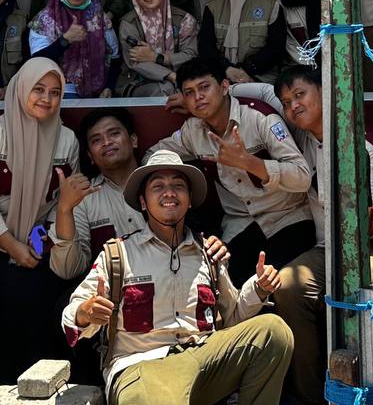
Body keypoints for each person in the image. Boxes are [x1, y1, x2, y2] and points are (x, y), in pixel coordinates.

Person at [61, 150, 293, 405]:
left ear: (189, 200)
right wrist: (86, 312)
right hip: (142, 366)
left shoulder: (208, 253)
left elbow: (233, 316)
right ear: (142, 202)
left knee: (274, 332)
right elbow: (73, 315)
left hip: (205, 359)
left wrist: (259, 287)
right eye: (158, 186)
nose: (169, 192)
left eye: (178, 186)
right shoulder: (118, 254)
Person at [0, 58, 80, 392]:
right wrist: (12, 246)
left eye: (55, 92)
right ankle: (0, 385)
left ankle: (48, 385)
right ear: (21, 89)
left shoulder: (66, 139)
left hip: (37, 237)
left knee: (50, 291)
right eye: (38, 89)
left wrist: (37, 246)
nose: (46, 98)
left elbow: (60, 202)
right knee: (11, 290)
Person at [271, 66, 373, 405]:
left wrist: (370, 219)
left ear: (326, 91)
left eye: (300, 95)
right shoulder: (298, 142)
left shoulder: (362, 139)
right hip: (324, 249)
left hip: (368, 248)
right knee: (288, 285)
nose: (293, 107)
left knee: (370, 283)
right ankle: (311, 396)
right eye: (287, 103)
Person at [152, 59, 314, 285]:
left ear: (225, 87)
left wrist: (250, 162)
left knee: (274, 285)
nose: (198, 97)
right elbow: (153, 154)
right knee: (215, 281)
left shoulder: (260, 119)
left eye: (204, 87)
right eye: (189, 92)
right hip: (241, 224)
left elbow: (302, 177)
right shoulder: (192, 131)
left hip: (286, 218)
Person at [49, 108, 147, 281]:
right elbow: (67, 270)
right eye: (96, 140)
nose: (106, 142)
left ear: (133, 140)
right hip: (108, 294)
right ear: (90, 156)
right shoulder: (82, 199)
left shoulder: (160, 184)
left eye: (114, 133)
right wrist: (64, 210)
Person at [29, 0, 120, 98]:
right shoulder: (46, 19)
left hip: (99, 91)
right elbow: (36, 61)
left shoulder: (100, 18)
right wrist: (65, 40)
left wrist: (109, 87)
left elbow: (115, 57)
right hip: (58, 91)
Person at [199, 0, 287, 84]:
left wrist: (246, 70)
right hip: (222, 77)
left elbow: (276, 47)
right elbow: (206, 47)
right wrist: (227, 69)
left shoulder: (270, 2)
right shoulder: (212, 5)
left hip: (261, 78)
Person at [117, 0, 199, 96]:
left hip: (183, 77)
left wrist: (158, 58)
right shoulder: (129, 23)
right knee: (165, 89)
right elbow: (136, 62)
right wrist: (171, 76)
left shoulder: (184, 20)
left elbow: (191, 55)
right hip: (137, 81)